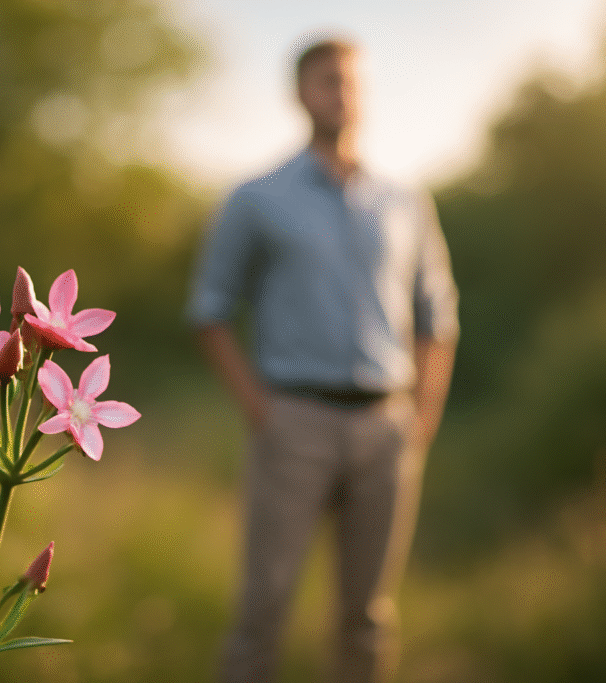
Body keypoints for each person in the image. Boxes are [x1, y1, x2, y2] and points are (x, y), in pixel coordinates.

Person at [186, 37, 459, 683]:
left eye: (352, 81)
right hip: (293, 422)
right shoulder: (257, 198)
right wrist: (261, 410)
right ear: (300, 93)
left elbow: (436, 317)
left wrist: (419, 420)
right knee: (263, 609)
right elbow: (209, 308)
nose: (343, 92)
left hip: (386, 426)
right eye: (328, 80)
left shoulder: (405, 202)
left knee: (367, 618)